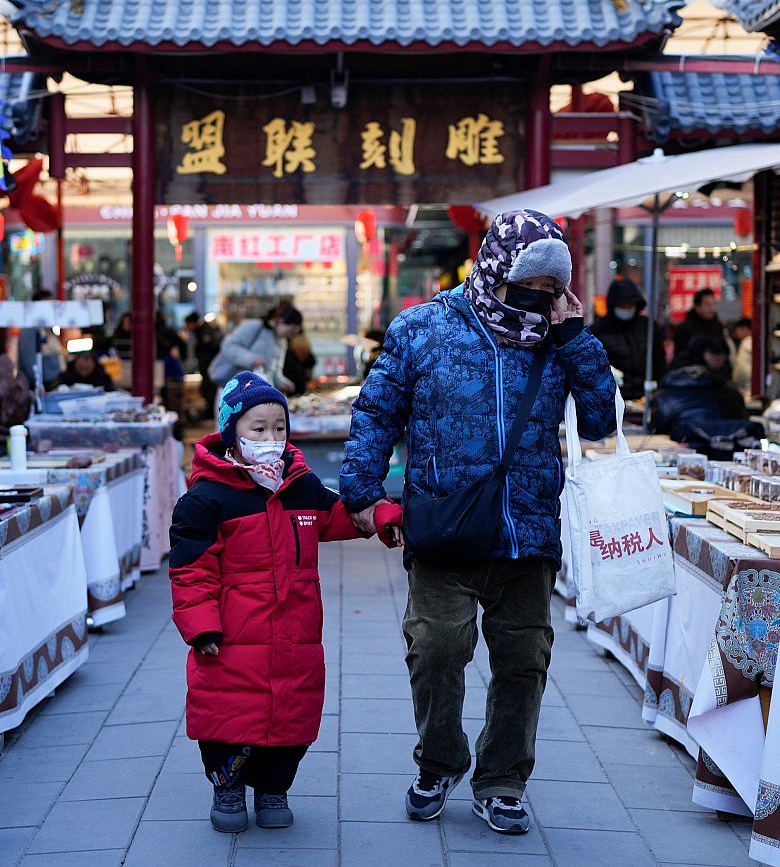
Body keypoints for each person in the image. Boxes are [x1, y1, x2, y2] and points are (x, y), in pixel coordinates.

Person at [340, 208, 617, 835]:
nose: (541, 294)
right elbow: (377, 410)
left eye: (552, 283)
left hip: (528, 528)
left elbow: (601, 421)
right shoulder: (425, 327)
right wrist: (361, 489)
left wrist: (576, 338)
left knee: (524, 658)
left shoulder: (558, 335)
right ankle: (438, 762)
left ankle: (503, 779)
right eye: (531, 279)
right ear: (495, 267)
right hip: (445, 521)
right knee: (437, 648)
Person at [170, 372, 403, 834]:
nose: (271, 439)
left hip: (295, 632)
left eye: (279, 428)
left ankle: (274, 788)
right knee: (228, 717)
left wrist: (380, 515)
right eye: (258, 429)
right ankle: (228, 787)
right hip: (233, 637)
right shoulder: (207, 499)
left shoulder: (299, 486)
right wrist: (201, 626)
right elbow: (190, 570)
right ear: (231, 433)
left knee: (291, 716)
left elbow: (338, 515)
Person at [648, 336, 759, 457]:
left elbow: (655, 429)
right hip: (728, 455)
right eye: (716, 357)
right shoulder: (730, 391)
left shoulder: (666, 393)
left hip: (682, 455)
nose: (720, 361)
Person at [588, 279, 664, 400]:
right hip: (612, 396)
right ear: (613, 305)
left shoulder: (648, 326)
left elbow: (659, 360)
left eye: (630, 305)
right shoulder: (598, 329)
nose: (627, 308)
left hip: (648, 394)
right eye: (622, 305)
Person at [207, 305, 303, 394]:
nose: (289, 335)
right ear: (280, 321)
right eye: (289, 330)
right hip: (233, 388)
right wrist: (252, 360)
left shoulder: (282, 341)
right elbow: (229, 345)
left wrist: (281, 382)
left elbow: (273, 370)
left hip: (255, 392)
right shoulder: (256, 326)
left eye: (292, 333)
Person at [672, 288, 726, 361]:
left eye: (713, 304)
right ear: (697, 307)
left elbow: (724, 350)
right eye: (708, 304)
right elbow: (679, 357)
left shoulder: (718, 327)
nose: (712, 308)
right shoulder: (684, 329)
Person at [282, 324, 317, 394]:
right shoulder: (303, 340)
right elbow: (311, 362)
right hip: (296, 384)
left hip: (292, 384)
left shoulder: (288, 342)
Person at [728, 317, 753, 394]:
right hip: (744, 386)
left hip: (748, 386)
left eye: (737, 330)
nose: (736, 333)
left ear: (744, 328)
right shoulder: (746, 341)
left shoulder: (748, 341)